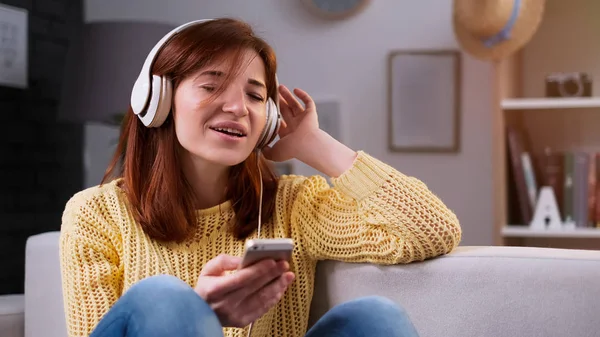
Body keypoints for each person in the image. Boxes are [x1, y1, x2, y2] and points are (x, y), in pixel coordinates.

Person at [58, 17, 462, 337]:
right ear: (159, 101)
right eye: (212, 86)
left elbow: (431, 230)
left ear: (268, 120)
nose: (238, 107)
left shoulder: (294, 206)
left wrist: (313, 144)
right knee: (164, 298)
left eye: (255, 96)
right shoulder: (95, 214)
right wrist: (198, 313)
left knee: (375, 316)